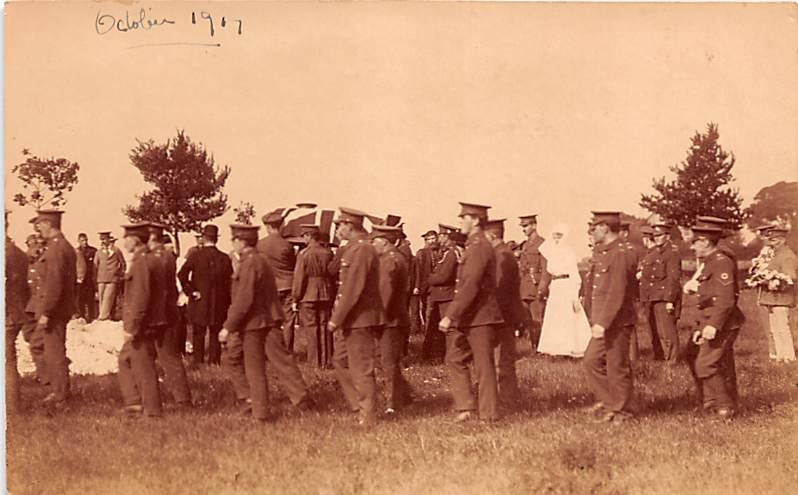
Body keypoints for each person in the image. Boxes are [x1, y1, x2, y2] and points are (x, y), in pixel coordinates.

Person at [220, 224, 312, 421]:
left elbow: (243, 299)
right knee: (281, 360)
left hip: (255, 323)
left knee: (253, 368)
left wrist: (228, 327)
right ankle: (301, 398)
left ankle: (259, 410)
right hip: (269, 318)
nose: (232, 243)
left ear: (240, 241)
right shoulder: (259, 260)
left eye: (233, 240)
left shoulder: (249, 263)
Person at [439, 203, 503, 423]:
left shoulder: (479, 246)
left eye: (463, 218)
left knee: (483, 366)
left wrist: (450, 314)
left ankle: (489, 415)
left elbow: (471, 285)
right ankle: (465, 406)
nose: (460, 222)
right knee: (455, 358)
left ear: (475, 220)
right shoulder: (474, 245)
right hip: (470, 316)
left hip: (481, 317)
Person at [328, 207, 385, 426]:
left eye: (339, 225)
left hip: (360, 318)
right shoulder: (353, 248)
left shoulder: (362, 249)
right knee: (341, 361)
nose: (337, 230)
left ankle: (368, 416)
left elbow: (353, 288)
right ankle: (358, 405)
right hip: (352, 318)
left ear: (349, 225)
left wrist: (336, 318)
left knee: (361, 367)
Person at [683, 218, 745, 418]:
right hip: (710, 319)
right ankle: (711, 402)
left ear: (706, 242)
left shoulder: (721, 262)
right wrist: (702, 326)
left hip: (723, 322)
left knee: (706, 364)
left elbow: (726, 300)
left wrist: (712, 326)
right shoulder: (710, 262)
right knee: (693, 356)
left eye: (695, 242)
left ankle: (725, 407)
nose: (692, 246)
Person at [582, 211, 637, 423]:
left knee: (617, 365)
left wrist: (602, 323)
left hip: (617, 320)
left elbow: (617, 292)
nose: (591, 232)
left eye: (594, 227)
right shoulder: (606, 252)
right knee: (591, 361)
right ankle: (611, 403)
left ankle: (622, 411)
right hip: (605, 319)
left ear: (605, 227)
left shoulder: (619, 253)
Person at [29, 210, 77, 408]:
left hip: (54, 311)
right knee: (43, 347)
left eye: (40, 223)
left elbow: (55, 284)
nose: (38, 228)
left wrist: (47, 312)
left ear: (49, 223)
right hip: (57, 308)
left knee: (53, 352)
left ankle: (61, 395)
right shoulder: (59, 246)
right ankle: (59, 387)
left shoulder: (57, 249)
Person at [117, 223, 163, 417]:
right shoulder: (143, 259)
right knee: (125, 359)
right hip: (144, 322)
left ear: (134, 240)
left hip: (142, 325)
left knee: (143, 366)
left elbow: (141, 297)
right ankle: (134, 403)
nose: (124, 241)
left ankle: (151, 411)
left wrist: (132, 327)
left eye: (126, 238)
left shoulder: (141, 262)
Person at [145, 223, 192, 407]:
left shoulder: (152, 260)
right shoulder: (168, 258)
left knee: (149, 359)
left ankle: (147, 400)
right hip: (168, 314)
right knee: (169, 358)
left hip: (155, 317)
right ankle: (181, 398)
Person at [371, 225, 415, 414]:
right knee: (389, 360)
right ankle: (405, 395)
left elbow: (385, 292)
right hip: (396, 318)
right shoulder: (397, 258)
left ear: (384, 241)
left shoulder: (388, 261)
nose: (372, 245)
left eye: (375, 241)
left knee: (387, 362)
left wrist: (377, 317)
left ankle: (393, 403)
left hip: (390, 320)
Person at [483, 219, 526, 405]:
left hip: (502, 314)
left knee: (502, 360)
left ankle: (508, 399)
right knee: (503, 358)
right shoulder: (503, 253)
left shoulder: (500, 256)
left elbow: (499, 289)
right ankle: (508, 397)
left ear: (492, 235)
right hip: (507, 313)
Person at [177, 224, 233, 366]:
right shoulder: (225, 258)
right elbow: (230, 282)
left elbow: (181, 274)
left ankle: (198, 361)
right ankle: (214, 362)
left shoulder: (196, 256)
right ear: (216, 239)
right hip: (219, 302)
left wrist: (191, 291)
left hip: (199, 300)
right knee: (215, 332)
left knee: (198, 332)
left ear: (203, 238)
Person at [537, 223, 592, 358]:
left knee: (566, 318)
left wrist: (575, 294)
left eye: (559, 236)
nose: (556, 239)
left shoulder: (568, 252)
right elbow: (543, 250)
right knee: (555, 318)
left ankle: (569, 348)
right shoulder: (552, 253)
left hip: (566, 286)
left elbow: (575, 274)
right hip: (555, 286)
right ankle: (555, 349)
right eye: (554, 236)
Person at [638, 222, 682, 363]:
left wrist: (670, 300)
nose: (656, 238)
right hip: (651, 297)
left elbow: (673, 278)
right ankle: (659, 357)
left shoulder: (672, 253)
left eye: (660, 235)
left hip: (663, 297)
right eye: (655, 235)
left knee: (667, 332)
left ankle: (672, 361)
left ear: (667, 236)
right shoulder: (653, 253)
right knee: (653, 330)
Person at [292, 224, 335, 369]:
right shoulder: (328, 253)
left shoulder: (304, 254)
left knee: (311, 329)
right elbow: (333, 274)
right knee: (324, 327)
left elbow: (299, 279)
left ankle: (314, 362)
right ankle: (326, 360)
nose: (303, 239)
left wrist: (295, 297)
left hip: (308, 295)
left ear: (309, 236)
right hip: (326, 293)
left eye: (304, 236)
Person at [258, 209, 298, 352]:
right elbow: (294, 265)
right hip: (287, 286)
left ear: (268, 227)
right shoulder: (287, 245)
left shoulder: (259, 245)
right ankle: (287, 349)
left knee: (269, 320)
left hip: (268, 287)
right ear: (281, 226)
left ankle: (270, 350)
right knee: (288, 321)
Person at [757, 226, 798, 363]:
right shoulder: (777, 255)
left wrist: (775, 283)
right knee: (775, 329)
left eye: (774, 240)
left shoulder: (787, 256)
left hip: (782, 298)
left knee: (782, 328)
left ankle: (789, 357)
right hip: (774, 299)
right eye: (771, 240)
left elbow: (790, 278)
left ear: (782, 240)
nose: (771, 243)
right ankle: (781, 356)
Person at [6, 212, 32, 412]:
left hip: (6, 314)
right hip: (15, 313)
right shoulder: (18, 253)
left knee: (7, 360)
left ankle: (11, 407)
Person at [422, 225, 458, 361]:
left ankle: (450, 356)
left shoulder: (451, 254)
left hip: (446, 296)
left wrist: (430, 278)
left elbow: (444, 276)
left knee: (448, 330)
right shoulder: (446, 253)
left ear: (448, 237)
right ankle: (438, 355)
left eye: (442, 236)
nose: (440, 239)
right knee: (437, 328)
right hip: (441, 296)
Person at [518, 214, 551, 350]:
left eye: (526, 226)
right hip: (525, 287)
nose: (523, 229)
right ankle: (533, 346)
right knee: (527, 320)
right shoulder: (525, 245)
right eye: (522, 226)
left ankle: (540, 348)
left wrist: (542, 288)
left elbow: (545, 268)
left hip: (536, 287)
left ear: (534, 225)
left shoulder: (542, 244)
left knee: (537, 319)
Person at [412, 230, 439, 336]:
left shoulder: (440, 251)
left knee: (431, 310)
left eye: (434, 238)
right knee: (425, 308)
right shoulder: (421, 253)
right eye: (430, 239)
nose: (432, 241)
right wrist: (417, 286)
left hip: (436, 286)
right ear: (426, 240)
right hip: (425, 286)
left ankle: (430, 331)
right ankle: (427, 331)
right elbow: (418, 271)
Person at [95, 231, 125, 321]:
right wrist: (95, 278)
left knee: (108, 298)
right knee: (101, 298)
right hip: (101, 278)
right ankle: (103, 316)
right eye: (101, 240)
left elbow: (123, 263)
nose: (103, 241)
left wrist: (119, 274)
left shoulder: (116, 250)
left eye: (104, 239)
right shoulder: (99, 252)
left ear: (109, 239)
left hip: (113, 278)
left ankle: (103, 317)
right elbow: (95, 266)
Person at [75, 233, 98, 322]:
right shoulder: (76, 251)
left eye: (85, 240)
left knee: (90, 299)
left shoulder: (93, 251)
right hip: (80, 279)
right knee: (80, 298)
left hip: (89, 278)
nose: (84, 242)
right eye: (82, 240)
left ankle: (91, 317)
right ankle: (81, 315)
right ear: (78, 241)